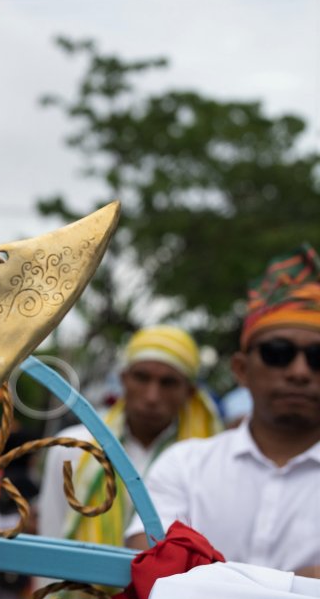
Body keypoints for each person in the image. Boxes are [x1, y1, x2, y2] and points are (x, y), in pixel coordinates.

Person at [126, 245, 320, 577]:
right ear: (242, 369)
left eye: (317, 357)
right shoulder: (185, 465)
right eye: (278, 353)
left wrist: (205, 576)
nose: (299, 372)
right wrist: (297, 587)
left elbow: (176, 577)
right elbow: (150, 561)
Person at [37, 325, 222, 547]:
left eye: (168, 383)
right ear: (124, 379)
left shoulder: (209, 461)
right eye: (142, 378)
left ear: (189, 392)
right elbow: (50, 539)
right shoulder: (73, 447)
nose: (152, 396)